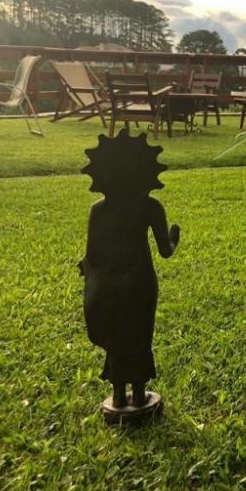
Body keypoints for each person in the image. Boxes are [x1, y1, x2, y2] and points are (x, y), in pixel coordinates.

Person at [79, 131, 179, 410]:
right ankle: (139, 391)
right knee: (139, 334)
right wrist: (174, 238)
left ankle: (119, 395)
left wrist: (89, 275)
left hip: (110, 280)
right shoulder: (151, 207)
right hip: (140, 281)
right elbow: (165, 250)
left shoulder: (98, 210)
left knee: (117, 334)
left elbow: (92, 254)